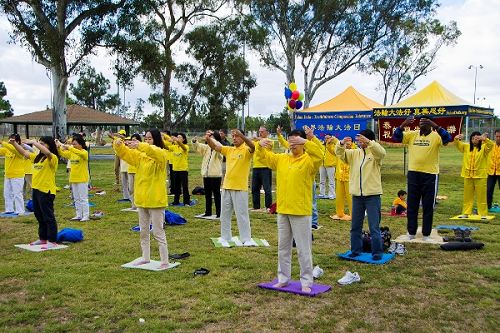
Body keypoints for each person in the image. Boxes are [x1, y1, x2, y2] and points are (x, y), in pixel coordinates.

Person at [256, 129, 322, 293]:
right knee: (283, 247)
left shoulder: (309, 161)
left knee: (303, 248)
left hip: (300, 210)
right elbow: (265, 157)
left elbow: (320, 154)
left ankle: (306, 281)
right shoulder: (282, 159)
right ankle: (283, 278)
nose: (292, 144)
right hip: (283, 209)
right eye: (290, 141)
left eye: (295, 141)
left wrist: (306, 140)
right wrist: (260, 146)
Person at [113, 129, 171, 268]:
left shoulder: (162, 154)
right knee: (143, 231)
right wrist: (118, 144)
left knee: (158, 231)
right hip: (142, 199)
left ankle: (164, 261)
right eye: (145, 138)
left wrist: (139, 145)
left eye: (150, 138)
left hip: (156, 200)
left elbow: (154, 152)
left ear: (156, 140)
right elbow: (126, 154)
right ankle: (145, 257)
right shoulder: (140, 156)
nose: (147, 140)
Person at [392, 115, 452, 241]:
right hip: (413, 174)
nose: (422, 124)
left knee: (428, 205)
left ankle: (426, 234)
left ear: (430, 124)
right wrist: (403, 125)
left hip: (430, 174)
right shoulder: (412, 134)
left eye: (425, 122)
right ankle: (411, 232)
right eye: (420, 122)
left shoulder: (436, 136)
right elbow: (396, 137)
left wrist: (435, 125)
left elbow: (447, 139)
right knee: (412, 205)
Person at [335, 129, 386, 260]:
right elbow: (340, 154)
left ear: (368, 140)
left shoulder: (375, 154)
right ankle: (356, 250)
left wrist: (369, 143)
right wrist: (341, 143)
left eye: (361, 139)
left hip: (372, 195)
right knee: (355, 226)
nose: (359, 142)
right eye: (358, 139)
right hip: (357, 196)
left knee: (374, 227)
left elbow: (382, 152)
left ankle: (377, 253)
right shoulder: (354, 153)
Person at [207, 129, 255, 246]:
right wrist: (208, 139)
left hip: (240, 188)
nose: (234, 138)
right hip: (226, 186)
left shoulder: (246, 150)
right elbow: (215, 146)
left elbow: (252, 146)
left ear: (241, 137)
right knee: (225, 214)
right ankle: (225, 236)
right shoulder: (229, 149)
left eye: (236, 136)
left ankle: (246, 238)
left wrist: (242, 136)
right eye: (233, 136)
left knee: (242, 214)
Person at [10, 137, 59, 249]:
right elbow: (24, 152)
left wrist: (34, 142)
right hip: (36, 190)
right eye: (39, 143)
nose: (39, 146)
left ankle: (52, 240)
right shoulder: (37, 158)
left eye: (42, 144)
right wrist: (14, 144)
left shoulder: (52, 158)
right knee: (39, 215)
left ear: (49, 145)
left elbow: (47, 152)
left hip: (46, 191)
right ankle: (43, 238)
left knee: (48, 216)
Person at [455, 132, 493, 219]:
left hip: (480, 176)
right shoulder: (466, 147)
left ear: (480, 139)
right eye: (472, 138)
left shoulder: (484, 148)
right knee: (467, 196)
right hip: (468, 175)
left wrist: (485, 139)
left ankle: (483, 214)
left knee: (481, 196)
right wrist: (457, 138)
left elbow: (491, 145)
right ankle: (466, 212)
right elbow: (457, 144)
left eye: (476, 139)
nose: (474, 140)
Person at [56, 134, 90, 221]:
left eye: (75, 144)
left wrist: (69, 147)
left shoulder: (84, 152)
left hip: (82, 179)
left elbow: (78, 152)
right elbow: (63, 153)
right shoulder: (72, 153)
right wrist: (58, 147)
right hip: (73, 178)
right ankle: (78, 214)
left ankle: (86, 215)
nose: (73, 145)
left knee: (83, 198)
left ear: (80, 144)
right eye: (73, 144)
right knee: (76, 198)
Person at [192, 130, 223, 217]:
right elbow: (198, 146)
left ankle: (219, 213)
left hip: (215, 175)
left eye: (212, 137)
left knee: (217, 194)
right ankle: (208, 211)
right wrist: (195, 141)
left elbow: (217, 145)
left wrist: (210, 139)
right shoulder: (206, 148)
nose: (209, 139)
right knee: (208, 194)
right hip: (206, 174)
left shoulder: (220, 147)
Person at [326, 135, 353, 221]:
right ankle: (339, 214)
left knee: (351, 198)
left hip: (350, 178)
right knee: (339, 197)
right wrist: (329, 143)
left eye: (349, 140)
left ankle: (354, 214)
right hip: (339, 177)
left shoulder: (355, 151)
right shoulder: (339, 151)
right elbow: (331, 150)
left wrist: (335, 140)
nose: (347, 142)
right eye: (346, 140)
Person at [0, 134, 26, 215]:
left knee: (17, 194)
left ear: (17, 142)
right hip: (8, 175)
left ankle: (20, 210)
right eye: (9, 140)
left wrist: (2, 142)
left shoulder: (20, 150)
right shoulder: (7, 149)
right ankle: (9, 209)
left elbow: (13, 148)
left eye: (13, 140)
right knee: (7, 193)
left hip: (17, 176)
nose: (10, 142)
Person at [166, 132, 193, 206]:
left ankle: (186, 202)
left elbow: (183, 147)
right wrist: (164, 137)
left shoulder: (186, 146)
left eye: (180, 137)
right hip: (175, 169)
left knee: (184, 186)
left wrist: (176, 140)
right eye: (177, 137)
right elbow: (166, 146)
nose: (178, 138)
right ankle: (176, 201)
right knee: (176, 187)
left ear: (183, 139)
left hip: (183, 170)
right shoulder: (174, 147)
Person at [251, 126, 273, 211]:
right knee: (255, 188)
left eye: (262, 132)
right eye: (259, 131)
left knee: (267, 188)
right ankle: (256, 206)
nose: (260, 133)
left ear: (267, 132)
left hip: (265, 167)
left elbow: (265, 142)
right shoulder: (256, 142)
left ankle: (268, 206)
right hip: (256, 167)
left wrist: (257, 139)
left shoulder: (269, 141)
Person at [126, 133, 142, 211]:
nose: (133, 142)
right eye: (132, 140)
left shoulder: (140, 149)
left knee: (138, 189)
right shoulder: (129, 149)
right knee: (131, 189)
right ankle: (133, 205)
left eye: (135, 140)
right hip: (130, 171)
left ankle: (139, 205)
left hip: (137, 171)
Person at [487, 129, 500, 209]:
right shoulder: (491, 145)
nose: (498, 138)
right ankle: (488, 206)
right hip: (491, 172)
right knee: (488, 189)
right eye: (497, 136)